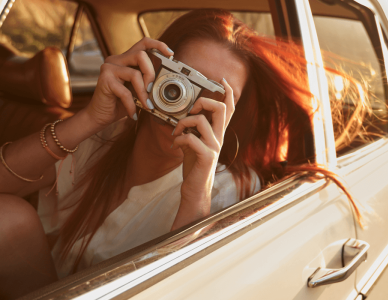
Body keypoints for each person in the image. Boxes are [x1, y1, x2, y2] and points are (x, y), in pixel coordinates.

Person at [0, 9, 363, 299]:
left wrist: (194, 191)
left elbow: (189, 290)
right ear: (153, 67)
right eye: (182, 78)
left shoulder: (226, 189)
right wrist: (89, 119)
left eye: (210, 95)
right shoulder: (105, 135)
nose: (184, 100)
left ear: (230, 115)